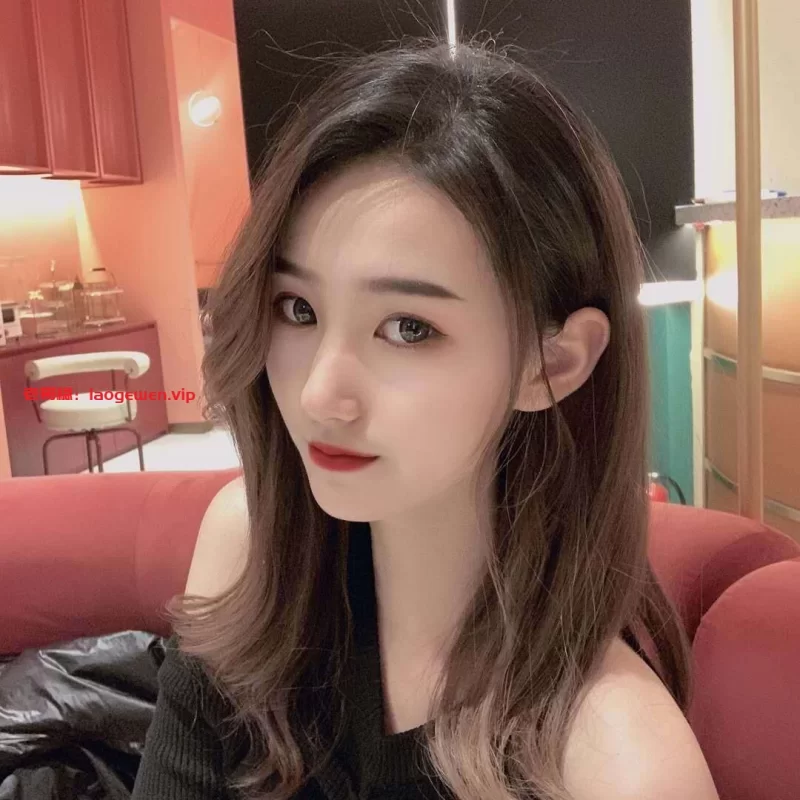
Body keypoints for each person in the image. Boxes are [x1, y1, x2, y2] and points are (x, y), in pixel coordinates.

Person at [132, 35, 720, 800]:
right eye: (298, 308)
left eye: (408, 328)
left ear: (553, 362)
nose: (320, 395)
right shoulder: (249, 548)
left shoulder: (618, 763)